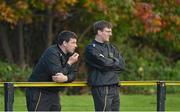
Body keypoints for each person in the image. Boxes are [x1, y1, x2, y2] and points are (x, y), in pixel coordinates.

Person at [26, 30, 79, 111]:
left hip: (53, 93)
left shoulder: (71, 55)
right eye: (73, 42)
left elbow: (74, 74)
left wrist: (66, 78)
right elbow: (57, 74)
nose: (76, 45)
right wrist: (69, 63)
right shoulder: (52, 52)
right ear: (64, 43)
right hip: (39, 91)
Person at [84, 20, 125, 111]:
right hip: (102, 87)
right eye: (108, 31)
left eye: (110, 31)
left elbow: (122, 65)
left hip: (114, 85)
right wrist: (114, 62)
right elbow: (104, 63)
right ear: (99, 32)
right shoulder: (91, 49)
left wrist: (111, 62)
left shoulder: (111, 47)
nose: (110, 34)